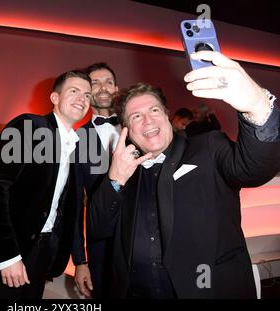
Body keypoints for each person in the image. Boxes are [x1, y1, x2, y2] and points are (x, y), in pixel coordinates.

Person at [88, 51, 280, 298]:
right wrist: (115, 179)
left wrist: (256, 105)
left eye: (154, 110)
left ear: (167, 116)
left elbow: (254, 169)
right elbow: (97, 228)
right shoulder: (125, 169)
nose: (147, 120)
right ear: (127, 128)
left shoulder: (207, 147)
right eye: (136, 116)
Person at [0, 70, 92, 299]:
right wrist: (7, 256)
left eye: (87, 95)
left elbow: (72, 208)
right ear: (55, 98)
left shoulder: (77, 147)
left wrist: (80, 261)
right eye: (74, 91)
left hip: (41, 257)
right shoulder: (29, 126)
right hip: (3, 256)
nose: (82, 99)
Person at [72, 63, 120, 298]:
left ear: (116, 89)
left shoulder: (141, 128)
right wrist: (80, 260)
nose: (103, 88)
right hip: (101, 243)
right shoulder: (75, 139)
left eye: (108, 82)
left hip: (146, 237)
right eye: (95, 83)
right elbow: (72, 205)